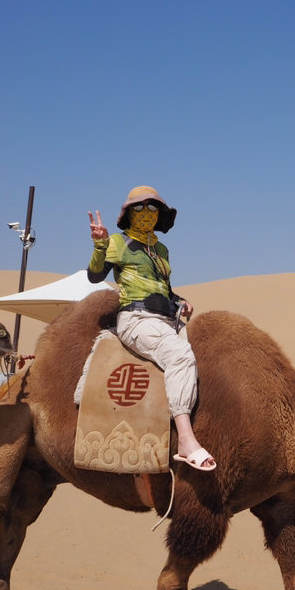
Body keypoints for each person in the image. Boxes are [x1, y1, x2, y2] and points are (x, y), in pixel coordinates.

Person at [87, 186, 215, 471]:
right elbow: (94, 276)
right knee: (180, 356)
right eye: (139, 208)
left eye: (152, 208)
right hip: (137, 319)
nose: (146, 213)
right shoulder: (118, 242)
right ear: (129, 213)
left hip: (167, 319)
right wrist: (100, 244)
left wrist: (180, 301)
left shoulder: (161, 249)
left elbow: (163, 289)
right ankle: (185, 441)